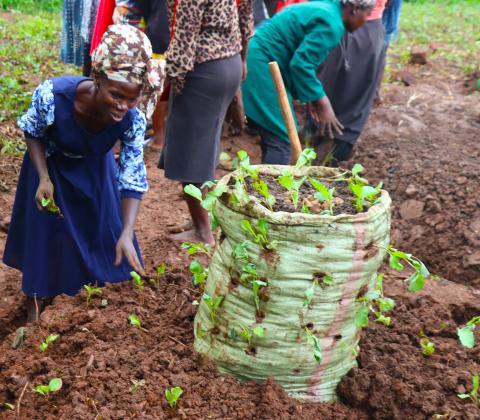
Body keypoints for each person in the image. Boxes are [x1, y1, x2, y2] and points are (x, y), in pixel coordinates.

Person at [3, 25, 163, 322]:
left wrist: (126, 231)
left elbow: (131, 174)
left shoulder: (132, 119)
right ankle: (36, 301)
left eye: (132, 99)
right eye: (117, 95)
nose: (123, 106)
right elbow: (33, 132)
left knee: (100, 235)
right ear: (97, 78)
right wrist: (43, 178)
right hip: (49, 167)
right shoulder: (53, 95)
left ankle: (87, 300)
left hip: (94, 169)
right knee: (46, 233)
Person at [160, 0, 254, 245]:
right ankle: (200, 220)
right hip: (229, 64)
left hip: (203, 70)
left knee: (190, 152)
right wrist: (243, 59)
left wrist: (171, 78)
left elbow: (184, 36)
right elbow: (246, 17)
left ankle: (202, 232)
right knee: (204, 147)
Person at [242, 0, 375, 165]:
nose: (367, 21)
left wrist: (311, 97)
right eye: (367, 15)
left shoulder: (327, 9)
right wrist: (323, 102)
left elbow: (298, 57)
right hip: (261, 65)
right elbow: (301, 64)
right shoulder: (332, 23)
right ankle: (270, 189)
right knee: (281, 142)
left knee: (276, 137)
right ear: (355, 9)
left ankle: (263, 185)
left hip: (261, 59)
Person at [302, 0, 387, 165]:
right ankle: (321, 135)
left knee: (350, 83)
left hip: (360, 16)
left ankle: (332, 143)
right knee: (335, 78)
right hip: (346, 16)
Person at [114, 0, 171, 148]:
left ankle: (158, 137)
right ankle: (158, 135)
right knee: (160, 87)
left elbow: (133, 9)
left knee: (157, 87)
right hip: (170, 37)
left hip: (158, 38)